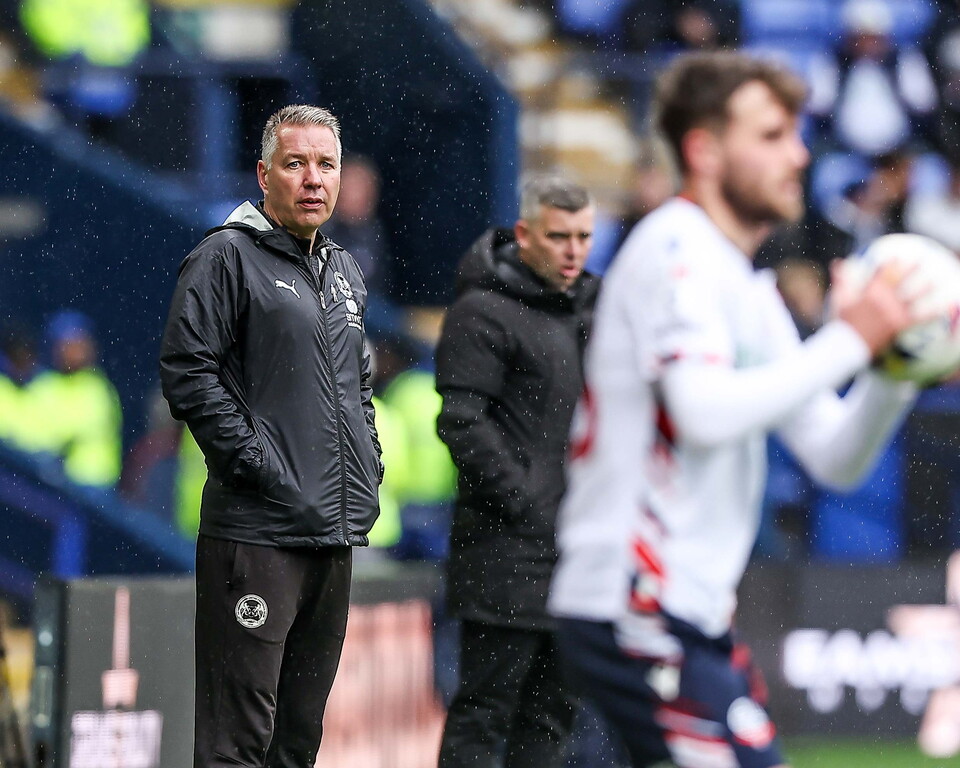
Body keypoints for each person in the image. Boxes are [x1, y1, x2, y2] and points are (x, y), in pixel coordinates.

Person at [549, 51, 925, 768]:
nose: (800, 154)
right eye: (773, 135)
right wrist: (853, 337)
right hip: (635, 601)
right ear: (705, 149)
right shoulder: (675, 249)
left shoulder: (744, 286)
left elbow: (835, 456)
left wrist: (894, 365)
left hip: (679, 614)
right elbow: (702, 413)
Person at [159, 104, 382, 768]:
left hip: (331, 536)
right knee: (238, 743)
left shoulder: (343, 269)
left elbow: (358, 389)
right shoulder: (224, 257)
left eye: (327, 164)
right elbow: (187, 373)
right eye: (295, 163)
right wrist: (261, 464)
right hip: (256, 537)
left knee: (296, 742)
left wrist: (365, 467)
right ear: (264, 174)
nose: (313, 179)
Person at [435, 174, 599, 768]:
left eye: (583, 236)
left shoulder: (592, 310)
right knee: (486, 712)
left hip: (574, 554)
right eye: (559, 237)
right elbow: (461, 423)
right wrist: (527, 502)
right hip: (503, 552)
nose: (574, 250)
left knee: (552, 719)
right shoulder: (481, 312)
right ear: (525, 235)